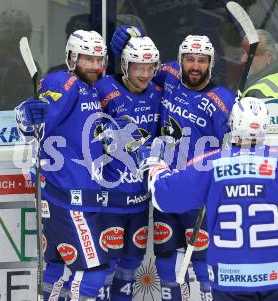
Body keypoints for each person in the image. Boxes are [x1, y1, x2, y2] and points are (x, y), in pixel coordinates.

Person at [139, 97, 278, 301]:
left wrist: (155, 166)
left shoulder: (209, 163)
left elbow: (164, 197)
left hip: (229, 279)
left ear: (233, 123)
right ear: (265, 125)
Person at [111, 27, 236, 301]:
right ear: (179, 60)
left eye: (202, 60)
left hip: (199, 189)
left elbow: (239, 145)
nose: (195, 66)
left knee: (204, 265)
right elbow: (141, 64)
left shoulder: (224, 100)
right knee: (166, 262)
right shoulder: (167, 75)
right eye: (190, 59)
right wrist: (132, 35)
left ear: (211, 64)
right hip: (166, 185)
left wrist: (236, 132)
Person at [15, 30, 113, 300]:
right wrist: (27, 115)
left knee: (56, 267)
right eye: (87, 59)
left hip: (70, 194)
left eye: (98, 59)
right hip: (69, 196)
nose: (94, 66)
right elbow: (37, 123)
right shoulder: (64, 82)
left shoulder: (88, 88)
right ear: (72, 58)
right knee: (93, 272)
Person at [94, 36, 162, 301]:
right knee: (106, 266)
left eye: (150, 67)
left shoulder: (159, 91)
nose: (145, 74)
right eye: (137, 67)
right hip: (109, 197)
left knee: (131, 265)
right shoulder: (103, 88)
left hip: (141, 198)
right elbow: (83, 125)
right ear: (124, 65)